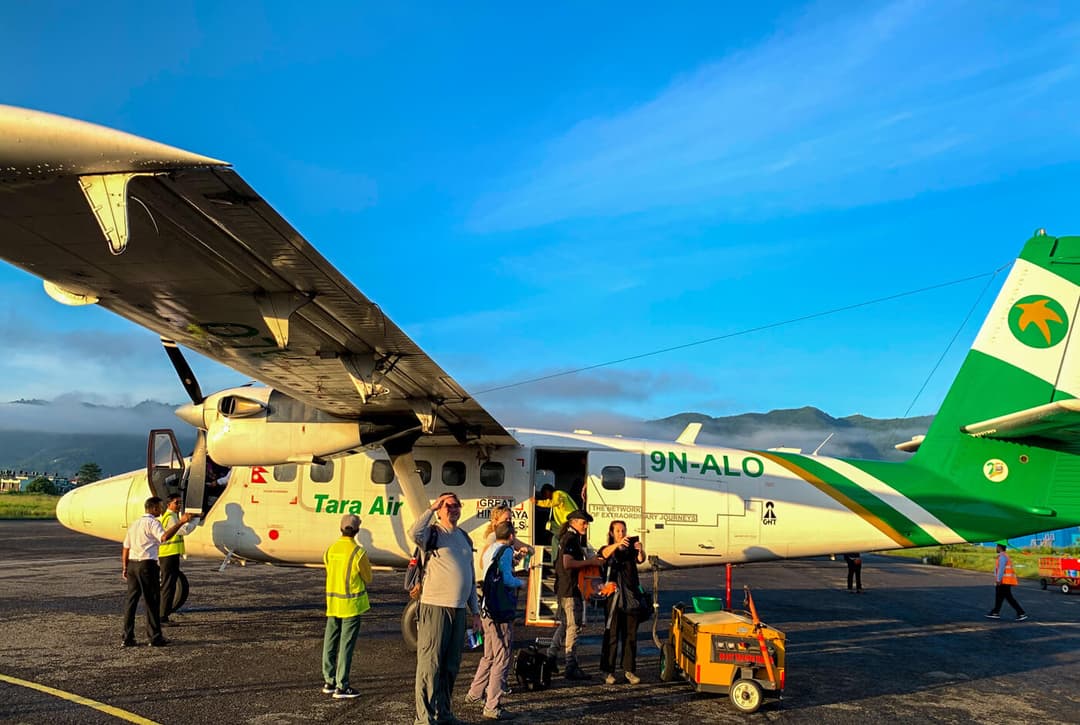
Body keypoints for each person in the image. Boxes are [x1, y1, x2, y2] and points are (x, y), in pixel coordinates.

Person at [412, 493, 480, 725]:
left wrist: (476, 612)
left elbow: (471, 577)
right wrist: (430, 508)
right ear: (440, 509)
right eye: (447, 505)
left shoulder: (464, 538)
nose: (453, 509)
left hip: (459, 609)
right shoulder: (432, 533)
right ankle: (424, 719)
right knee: (430, 665)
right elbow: (414, 533)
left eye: (456, 505)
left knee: (451, 665)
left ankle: (445, 713)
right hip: (435, 607)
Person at [466, 521, 525, 720]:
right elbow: (507, 579)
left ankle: (475, 693)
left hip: (486, 609)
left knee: (489, 655)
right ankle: (492, 705)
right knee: (502, 657)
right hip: (500, 612)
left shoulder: (491, 548)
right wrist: (521, 582)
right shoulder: (506, 550)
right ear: (510, 537)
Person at [120, 497, 193, 647]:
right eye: (159, 507)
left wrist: (125, 567)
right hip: (147, 565)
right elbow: (164, 537)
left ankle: (127, 637)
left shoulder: (134, 524)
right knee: (152, 601)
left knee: (131, 602)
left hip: (133, 564)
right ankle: (154, 637)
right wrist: (181, 522)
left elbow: (126, 547)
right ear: (153, 509)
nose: (161, 510)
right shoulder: (153, 523)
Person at [546, 509, 603, 681]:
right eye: (583, 522)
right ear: (573, 522)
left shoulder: (568, 537)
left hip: (564, 588)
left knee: (565, 624)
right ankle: (571, 665)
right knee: (574, 626)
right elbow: (567, 563)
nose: (586, 525)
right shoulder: (570, 539)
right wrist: (590, 562)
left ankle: (551, 656)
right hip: (570, 589)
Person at [321, 513, 372, 700]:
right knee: (346, 645)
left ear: (341, 529)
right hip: (351, 605)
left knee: (330, 642)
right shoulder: (359, 553)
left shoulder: (330, 550)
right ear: (357, 530)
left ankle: (329, 681)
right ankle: (342, 686)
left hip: (333, 603)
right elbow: (368, 577)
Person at [598, 520, 646, 685]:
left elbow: (641, 560)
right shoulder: (608, 549)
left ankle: (629, 670)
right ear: (611, 533)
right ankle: (607, 670)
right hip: (613, 597)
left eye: (623, 531)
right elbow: (603, 554)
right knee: (611, 634)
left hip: (631, 597)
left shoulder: (630, 549)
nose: (621, 533)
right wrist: (617, 544)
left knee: (630, 635)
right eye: (618, 531)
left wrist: (640, 550)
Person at [158, 493, 197, 624]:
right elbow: (183, 531)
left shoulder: (173, 516)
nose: (179, 506)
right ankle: (163, 616)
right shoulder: (170, 517)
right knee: (168, 586)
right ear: (169, 504)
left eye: (180, 503)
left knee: (170, 586)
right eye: (176, 503)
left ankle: (163, 614)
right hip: (168, 555)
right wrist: (196, 519)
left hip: (171, 554)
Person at [986, 543, 1028, 621]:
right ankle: (995, 612)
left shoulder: (1002, 557)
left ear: (999, 547)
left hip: (1003, 581)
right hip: (1005, 581)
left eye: (997, 547)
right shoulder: (1004, 556)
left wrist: (998, 580)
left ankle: (1021, 613)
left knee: (1008, 597)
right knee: (1000, 597)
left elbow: (1001, 569)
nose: (996, 548)